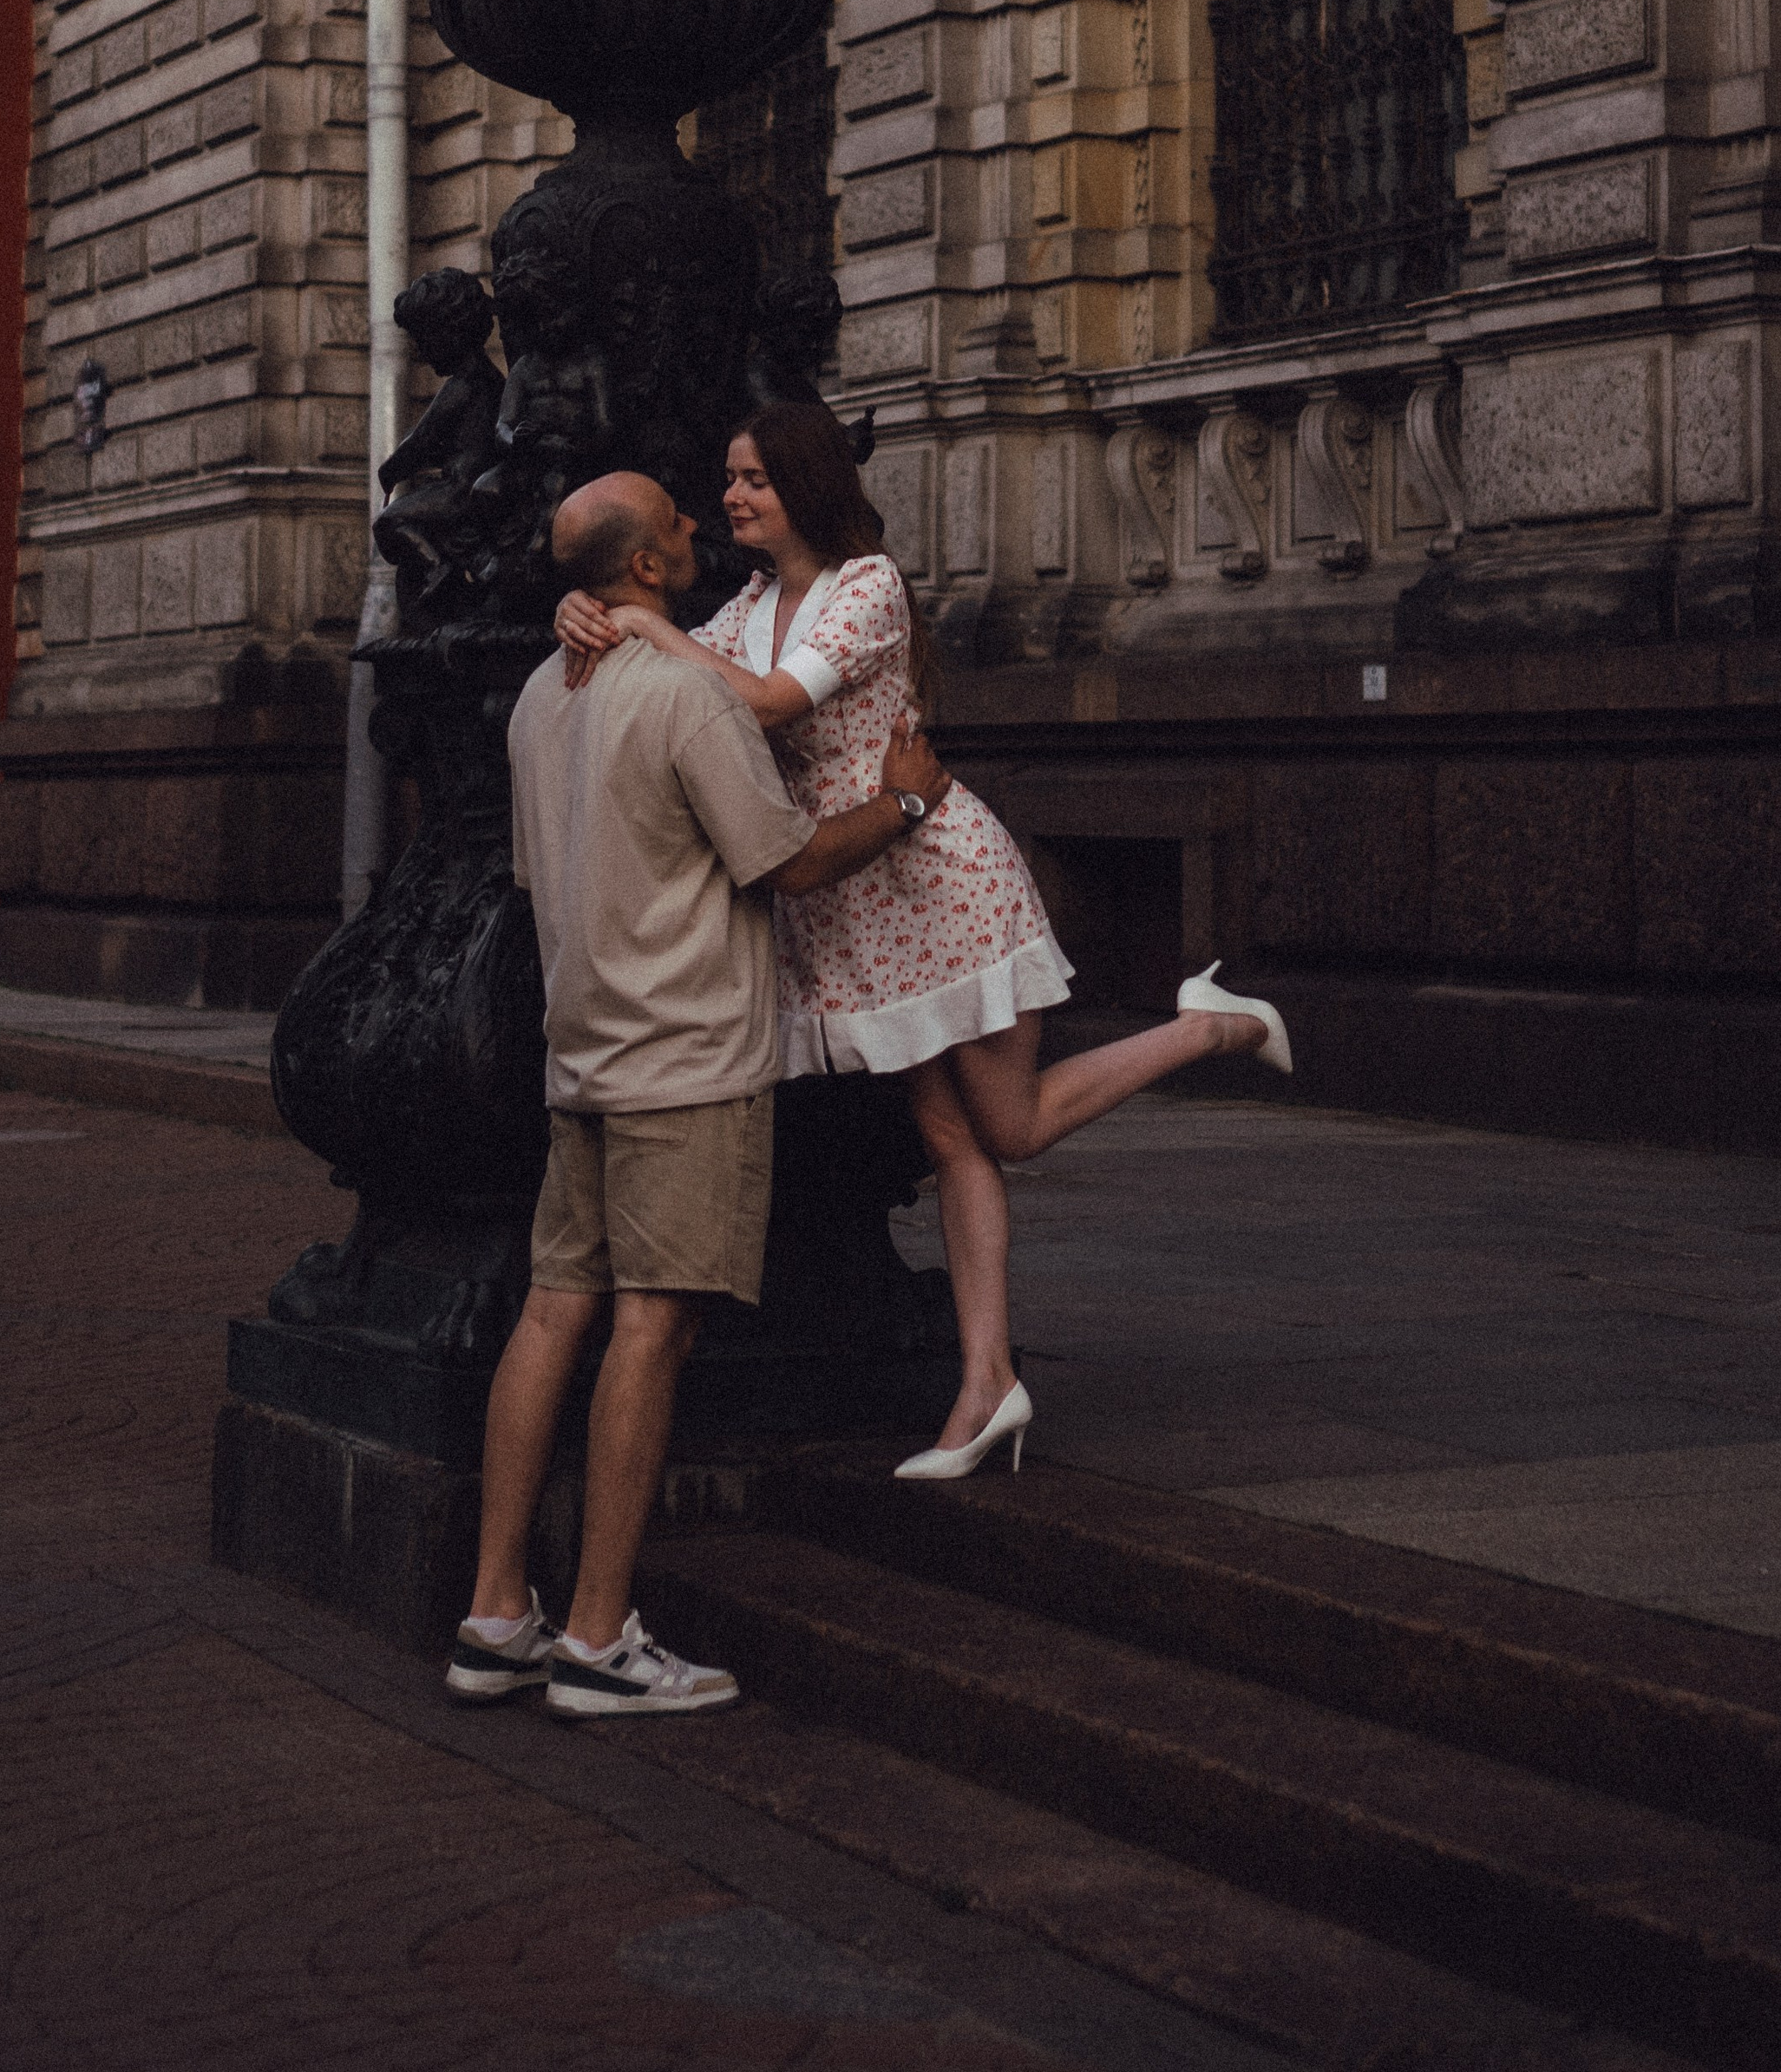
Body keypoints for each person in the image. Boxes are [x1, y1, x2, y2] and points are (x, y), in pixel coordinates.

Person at [555, 400, 1293, 1480]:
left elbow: (765, 705)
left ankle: (1207, 1029)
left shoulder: (868, 587)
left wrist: (643, 625)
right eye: (730, 477)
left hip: (937, 883)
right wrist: (584, 606)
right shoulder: (748, 604)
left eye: (753, 478)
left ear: (803, 486)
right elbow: (685, 679)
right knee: (951, 1142)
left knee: (1009, 1126)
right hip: (852, 902)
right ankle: (986, 1384)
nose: (731, 497)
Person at [449, 467, 953, 1717]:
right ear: (648, 568)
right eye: (676, 518)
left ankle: (494, 1615)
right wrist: (904, 800)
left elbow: (540, 877)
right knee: (653, 1332)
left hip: (583, 1057)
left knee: (551, 1317)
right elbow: (789, 862)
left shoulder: (540, 695)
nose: (693, 523)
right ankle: (597, 1639)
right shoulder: (685, 696)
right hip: (685, 1063)